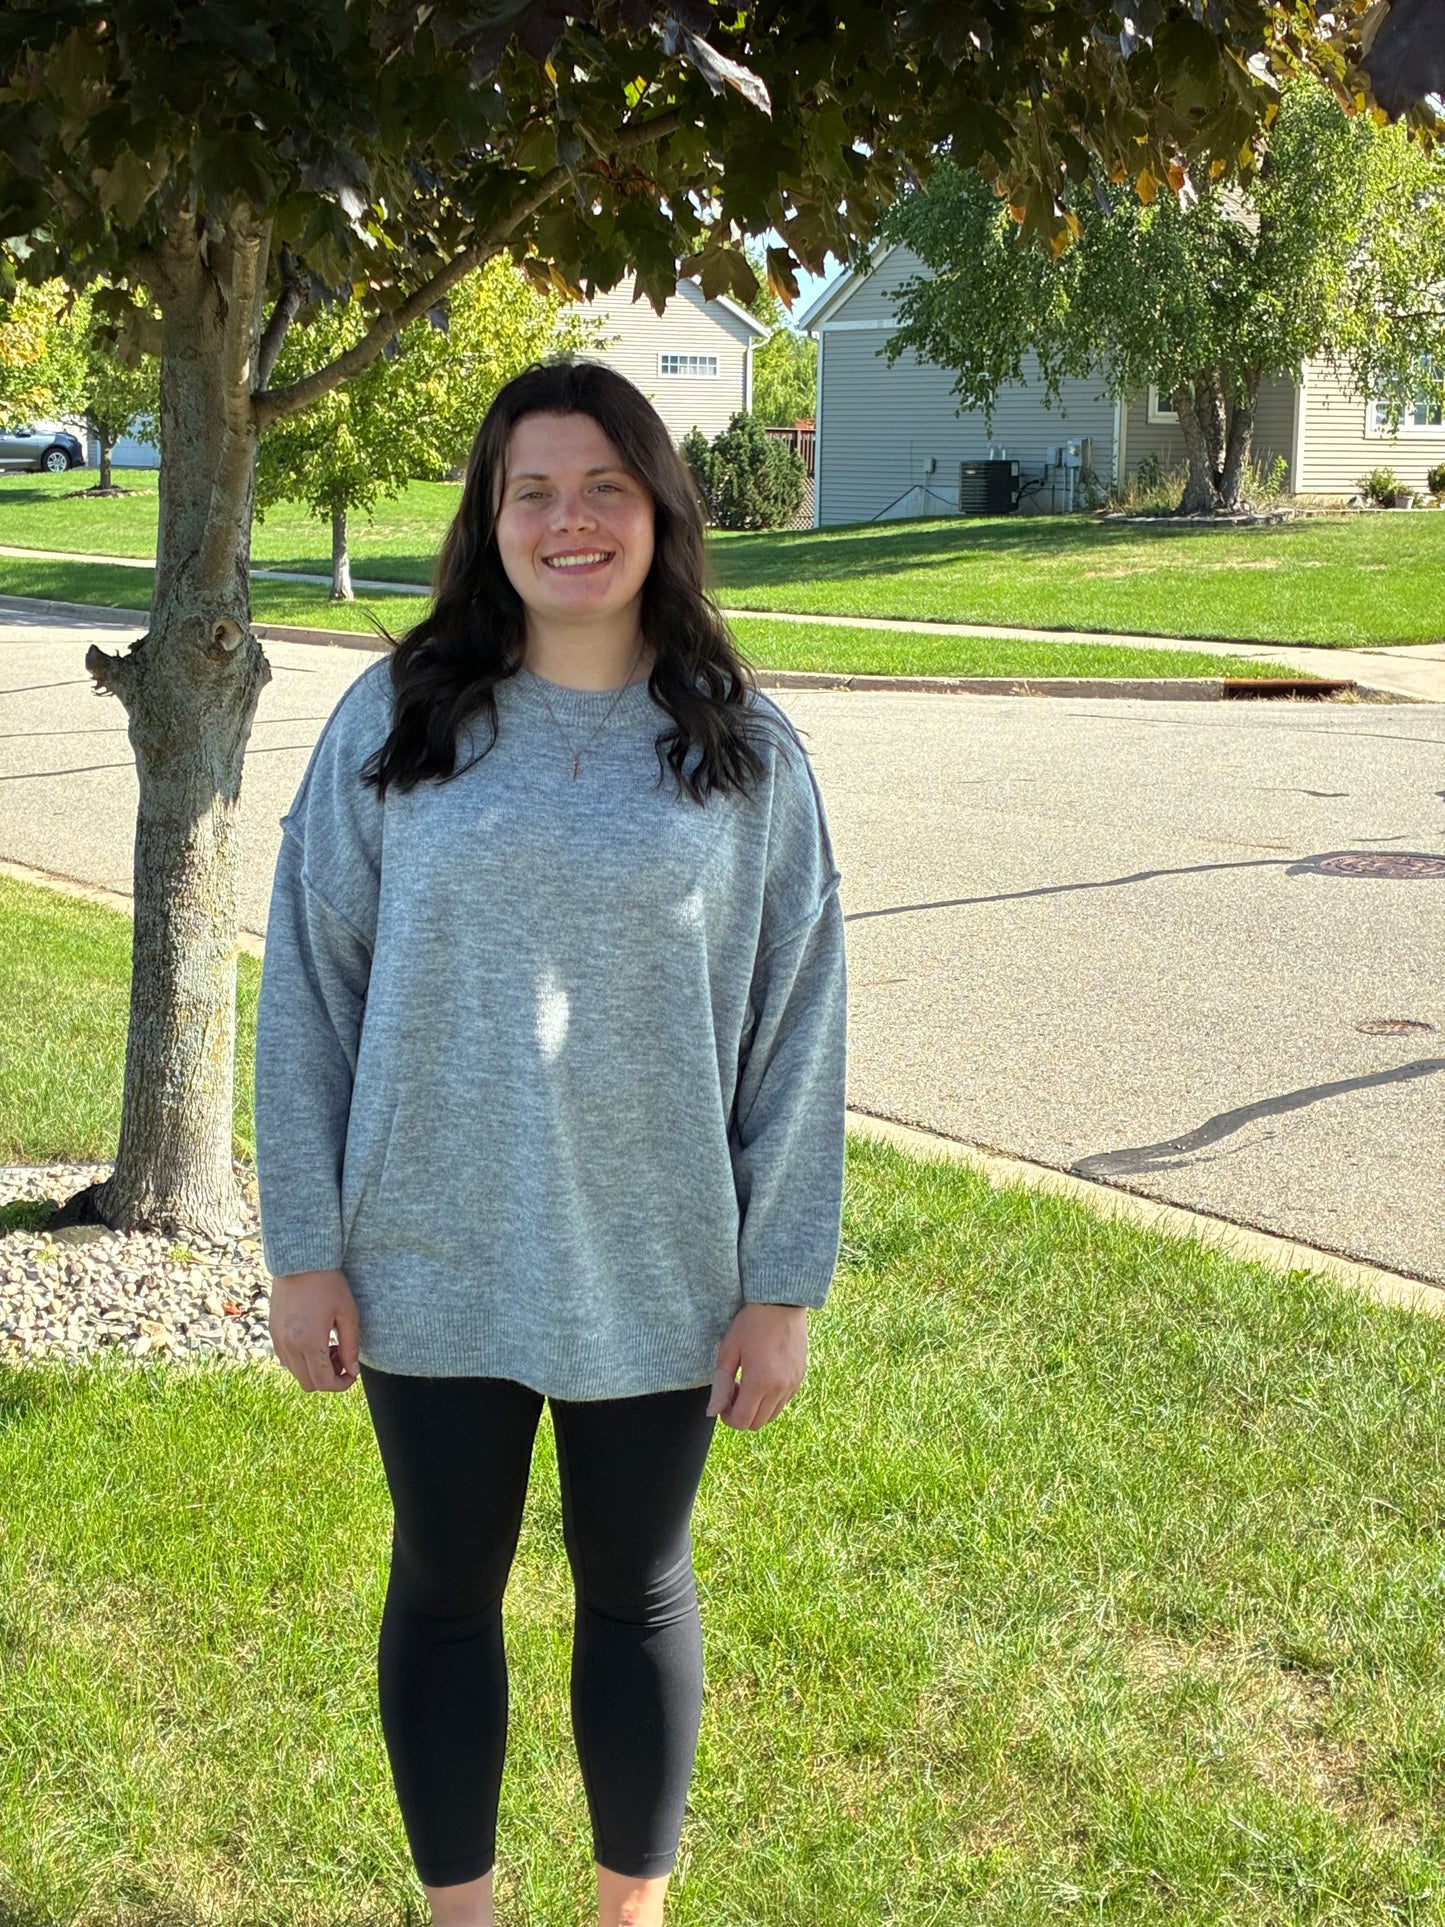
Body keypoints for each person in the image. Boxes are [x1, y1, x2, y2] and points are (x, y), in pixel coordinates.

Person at [252, 358, 847, 1927]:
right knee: (445, 1594)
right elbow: (309, 993)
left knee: (633, 1590)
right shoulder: (394, 725)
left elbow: (797, 1025)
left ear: (658, 509)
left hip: (656, 1258)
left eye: (604, 487)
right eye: (533, 490)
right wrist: (303, 1252)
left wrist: (779, 1283)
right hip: (427, 1249)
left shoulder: (745, 756)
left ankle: (624, 1915)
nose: (568, 521)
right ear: (488, 517)